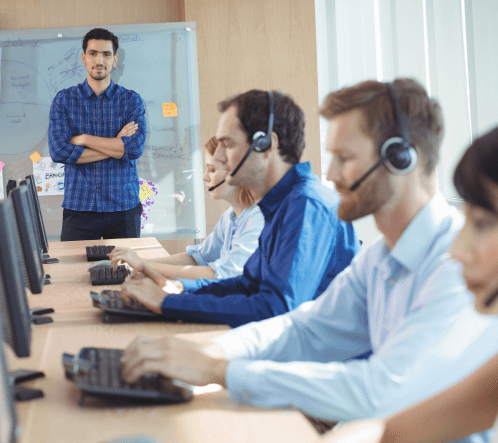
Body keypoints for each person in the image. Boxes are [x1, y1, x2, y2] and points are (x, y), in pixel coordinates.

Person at [119, 79, 498, 443]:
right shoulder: (385, 261)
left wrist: (221, 370)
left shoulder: (448, 274)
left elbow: (378, 394)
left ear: (400, 159)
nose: (329, 173)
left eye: (345, 157)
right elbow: (311, 334)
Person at [117, 89, 360, 327]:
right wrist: (180, 289)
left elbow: (275, 309)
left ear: (266, 145)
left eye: (228, 144)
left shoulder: (306, 205)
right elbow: (246, 284)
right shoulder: (277, 204)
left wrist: (168, 303)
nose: (219, 157)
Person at [108, 136, 264, 290]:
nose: (204, 177)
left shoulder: (257, 219)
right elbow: (197, 259)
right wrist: (139, 261)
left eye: (212, 170)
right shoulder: (229, 217)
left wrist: (144, 266)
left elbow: (222, 275)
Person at [48, 27, 146, 241]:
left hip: (124, 207)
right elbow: (59, 152)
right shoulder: (64, 100)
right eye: (93, 53)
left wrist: (83, 140)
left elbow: (135, 148)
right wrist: (117, 146)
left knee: (126, 272)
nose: (99, 60)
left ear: (115, 59)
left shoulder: (131, 100)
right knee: (73, 273)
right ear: (83, 58)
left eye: (106, 54)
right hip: (79, 208)